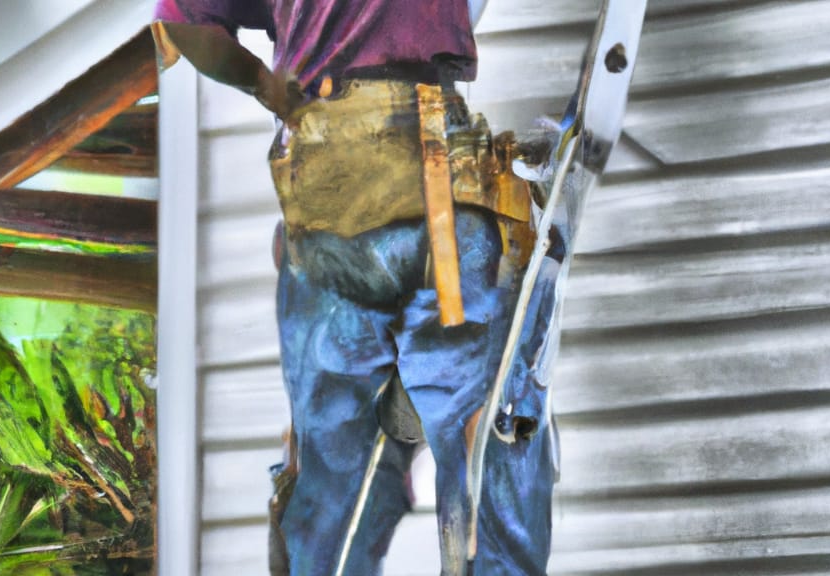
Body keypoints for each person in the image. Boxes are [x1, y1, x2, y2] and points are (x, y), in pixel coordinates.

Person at [153, 2, 557, 574]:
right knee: (486, 437)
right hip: (437, 167)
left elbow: (184, 22)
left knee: (332, 478)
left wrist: (267, 86)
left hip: (325, 185)